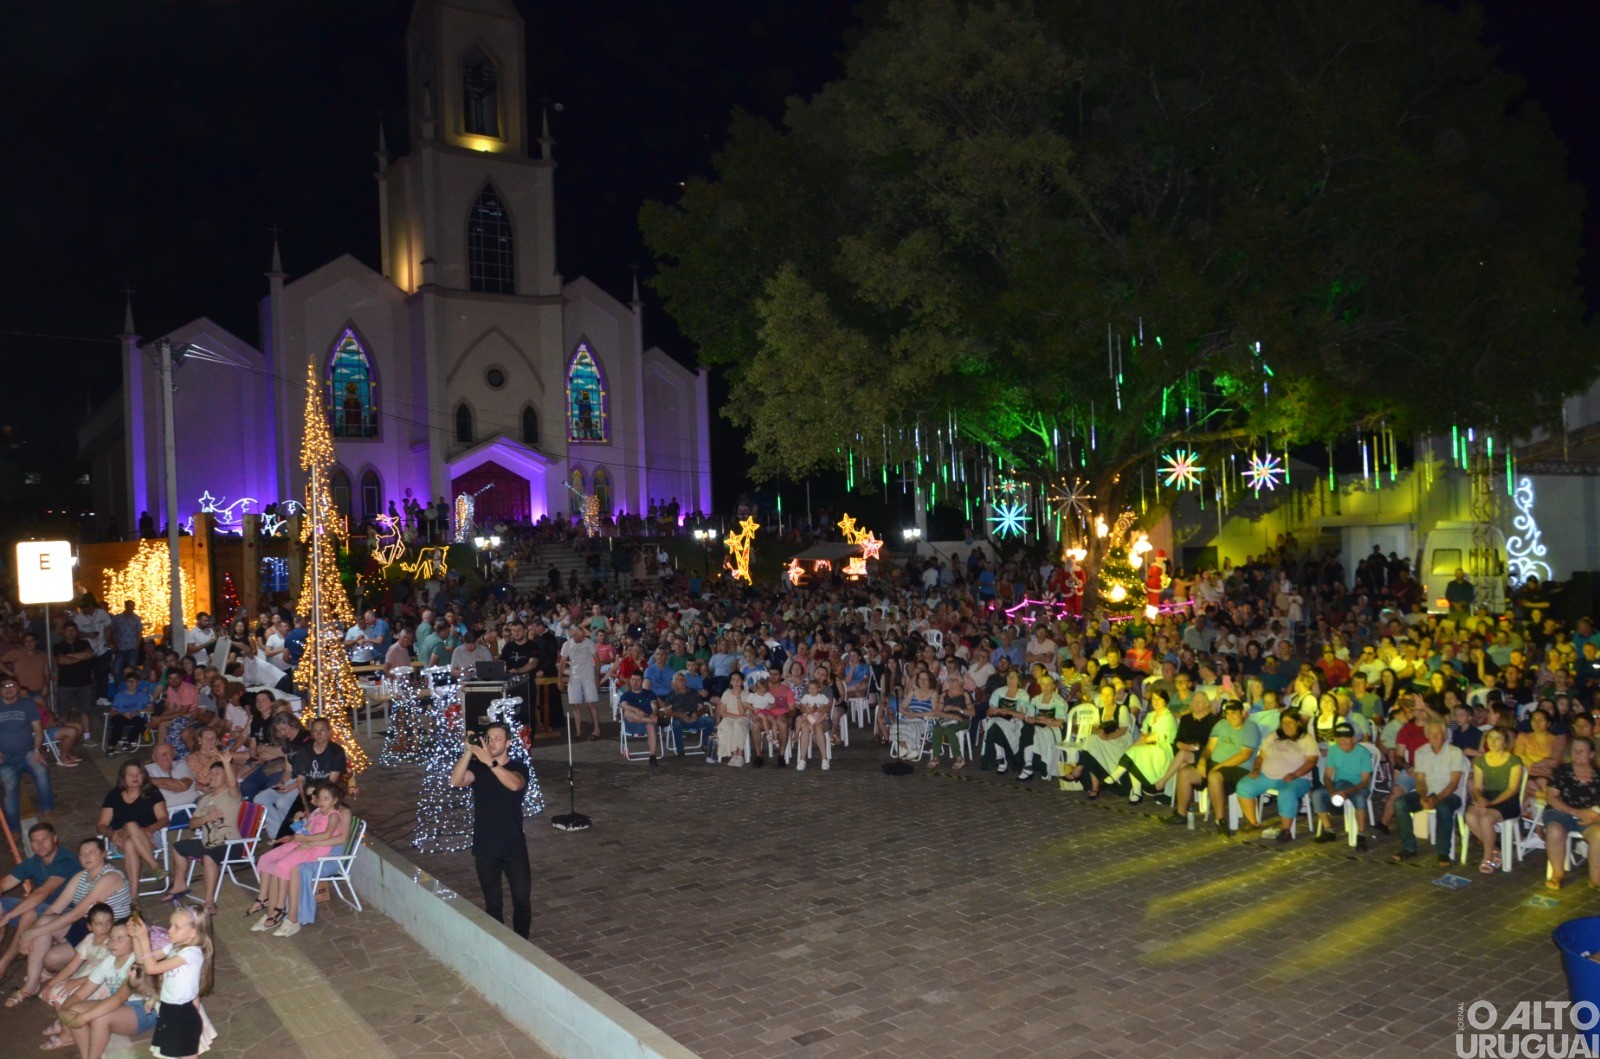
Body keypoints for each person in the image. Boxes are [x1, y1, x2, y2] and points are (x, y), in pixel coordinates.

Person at [8, 837, 132, 1006]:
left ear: (103, 854)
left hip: (109, 933)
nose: (86, 857)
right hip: (88, 928)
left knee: (51, 958)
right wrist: (32, 933)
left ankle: (69, 970)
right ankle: (31, 985)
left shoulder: (111, 877)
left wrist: (31, 933)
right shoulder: (81, 876)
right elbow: (54, 909)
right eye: (82, 854)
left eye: (92, 852)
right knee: (44, 921)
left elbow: (76, 913)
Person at [449, 722, 532, 938]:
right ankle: (498, 944)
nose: (492, 743)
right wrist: (469, 752)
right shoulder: (478, 768)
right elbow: (456, 781)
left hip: (514, 847)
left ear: (508, 743)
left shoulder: (519, 767)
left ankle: (522, 943)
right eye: (489, 738)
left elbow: (514, 785)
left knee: (522, 900)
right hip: (485, 847)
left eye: (497, 739)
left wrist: (491, 762)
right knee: (493, 904)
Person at [249, 780, 348, 938]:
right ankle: (267, 906)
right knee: (267, 860)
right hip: (304, 844)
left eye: (323, 798)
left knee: (282, 866)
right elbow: (304, 832)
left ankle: (280, 909)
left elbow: (327, 835)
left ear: (334, 800)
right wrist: (296, 824)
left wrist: (306, 839)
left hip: (317, 851)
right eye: (316, 798)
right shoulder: (316, 813)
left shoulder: (336, 814)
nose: (317, 801)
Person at [130, 906, 214, 1059]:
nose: (169, 930)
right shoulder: (174, 947)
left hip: (182, 1014)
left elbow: (152, 969)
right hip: (169, 1010)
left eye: (176, 927)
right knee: (171, 1054)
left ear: (193, 932)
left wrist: (144, 939)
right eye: (170, 925)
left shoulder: (191, 953)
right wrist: (136, 937)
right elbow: (141, 960)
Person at [0, 823, 80, 982]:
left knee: (29, 913)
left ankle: (3, 965)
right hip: (42, 907)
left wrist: (8, 916)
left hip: (64, 912)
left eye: (44, 839)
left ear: (54, 838)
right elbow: (4, 884)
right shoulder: (34, 862)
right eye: (35, 841)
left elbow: (43, 892)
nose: (40, 844)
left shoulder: (67, 859)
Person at [164, 755, 242, 913]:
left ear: (226, 777)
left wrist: (226, 763)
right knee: (179, 847)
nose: (212, 776)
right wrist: (206, 818)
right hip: (208, 843)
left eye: (217, 773)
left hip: (230, 844)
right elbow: (192, 824)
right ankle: (179, 885)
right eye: (210, 773)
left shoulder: (231, 795)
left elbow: (233, 784)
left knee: (208, 856)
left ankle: (209, 902)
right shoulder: (205, 799)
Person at [1392, 719, 1468, 865]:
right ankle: (1409, 847)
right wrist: (1423, 797)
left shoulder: (1454, 752)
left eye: (1438, 734)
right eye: (1431, 734)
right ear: (1427, 735)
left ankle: (1443, 852)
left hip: (1450, 795)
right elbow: (1420, 780)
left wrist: (1436, 799)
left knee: (1443, 808)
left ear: (1444, 735)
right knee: (1400, 804)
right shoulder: (1421, 752)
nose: (1435, 737)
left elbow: (1453, 783)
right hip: (1428, 792)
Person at [1234, 712, 1319, 841]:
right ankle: (1253, 822)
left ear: (1298, 723)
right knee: (1244, 786)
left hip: (1297, 778)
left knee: (1287, 793)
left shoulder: (1307, 738)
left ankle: (1286, 831)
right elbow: (1261, 757)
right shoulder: (1274, 735)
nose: (1286, 725)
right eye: (1284, 722)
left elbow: (1311, 762)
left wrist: (1295, 774)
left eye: (1290, 722)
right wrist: (1256, 769)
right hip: (1267, 775)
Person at [97, 760, 171, 890]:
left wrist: (150, 829)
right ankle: (155, 866)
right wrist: (111, 834)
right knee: (131, 825)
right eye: (130, 774)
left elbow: (164, 819)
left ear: (143, 776)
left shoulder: (152, 792)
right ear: (123, 777)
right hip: (120, 838)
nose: (135, 777)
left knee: (130, 844)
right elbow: (101, 825)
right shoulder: (113, 795)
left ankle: (134, 896)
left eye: (138, 774)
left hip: (149, 837)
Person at [1460, 727, 1525, 873]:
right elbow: (1477, 787)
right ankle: (1495, 850)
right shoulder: (1480, 761)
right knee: (1470, 816)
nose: (1493, 741)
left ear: (1505, 742)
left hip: (1507, 799)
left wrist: (1491, 803)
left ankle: (1487, 857)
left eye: (1498, 738)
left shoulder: (1514, 761)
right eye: (1490, 738)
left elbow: (1512, 789)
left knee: (1486, 819)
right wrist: (1479, 798)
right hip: (1487, 797)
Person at [1544, 736, 1600, 891]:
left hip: (1590, 816)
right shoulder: (1561, 771)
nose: (1577, 753)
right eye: (1575, 750)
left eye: (1582, 750)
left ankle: (1595, 879)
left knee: (1599, 835)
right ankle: (1557, 872)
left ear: (1591, 754)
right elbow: (1551, 797)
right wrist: (1576, 812)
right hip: (1561, 812)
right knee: (1554, 829)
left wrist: (1596, 817)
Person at [1103, 688, 1178, 803]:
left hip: (1164, 749)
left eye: (1159, 699)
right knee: (1134, 752)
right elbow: (1144, 735)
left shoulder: (1168, 717)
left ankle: (1116, 776)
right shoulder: (1150, 715)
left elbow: (1157, 737)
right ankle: (1136, 792)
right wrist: (1135, 745)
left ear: (1165, 701)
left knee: (1136, 752)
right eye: (1154, 699)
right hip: (1150, 746)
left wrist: (1137, 744)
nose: (1156, 702)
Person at [0, 676, 54, 835]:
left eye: (12, 685)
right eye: (4, 686)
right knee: (10, 790)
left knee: (41, 770)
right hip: (5, 758)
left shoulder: (28, 704)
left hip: (27, 752)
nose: (8, 689)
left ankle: (47, 808)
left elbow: (38, 729)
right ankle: (14, 828)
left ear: (18, 688)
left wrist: (37, 751)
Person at [1310, 722, 1374, 846]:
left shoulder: (1363, 753)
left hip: (1357, 786)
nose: (1342, 741)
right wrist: (1332, 792)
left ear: (1353, 738)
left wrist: (1346, 792)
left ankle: (1361, 834)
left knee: (1360, 799)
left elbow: (1365, 782)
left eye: (1346, 738)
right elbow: (1327, 777)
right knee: (1316, 794)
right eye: (1339, 738)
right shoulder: (1333, 750)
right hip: (1339, 784)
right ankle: (1329, 829)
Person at [559, 625, 602, 740]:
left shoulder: (589, 643)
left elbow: (597, 660)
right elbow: (562, 662)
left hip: (588, 675)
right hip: (574, 676)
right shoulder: (567, 645)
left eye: (583, 636)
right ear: (574, 635)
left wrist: (597, 676)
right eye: (580, 636)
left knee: (591, 703)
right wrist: (560, 679)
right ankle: (578, 731)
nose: (583, 638)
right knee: (575, 704)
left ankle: (597, 729)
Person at [616, 672, 662, 764]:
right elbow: (623, 705)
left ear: (642, 681)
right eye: (633, 680)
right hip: (632, 725)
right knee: (627, 713)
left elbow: (654, 705)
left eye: (638, 680)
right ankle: (654, 720)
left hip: (648, 723)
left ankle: (652, 756)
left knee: (650, 724)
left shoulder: (649, 693)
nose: (635, 682)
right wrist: (636, 710)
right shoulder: (627, 695)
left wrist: (654, 713)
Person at [107, 672, 153, 753]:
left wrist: (136, 712)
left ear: (138, 683)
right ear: (125, 683)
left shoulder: (142, 695)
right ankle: (111, 745)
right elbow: (112, 711)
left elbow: (151, 708)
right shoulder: (119, 695)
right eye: (129, 681)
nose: (131, 683)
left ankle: (128, 742)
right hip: (120, 716)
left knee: (141, 722)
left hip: (135, 716)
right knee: (117, 721)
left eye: (134, 681)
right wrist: (123, 713)